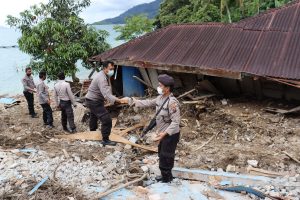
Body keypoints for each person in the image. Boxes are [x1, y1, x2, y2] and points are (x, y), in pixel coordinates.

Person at [128, 74, 180, 183]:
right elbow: (147, 102)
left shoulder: (172, 103)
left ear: (167, 88)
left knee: (167, 155)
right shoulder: (160, 98)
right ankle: (165, 175)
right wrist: (134, 102)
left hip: (170, 134)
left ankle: (167, 178)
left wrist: (165, 133)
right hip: (162, 133)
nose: (159, 87)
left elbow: (176, 122)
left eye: (161, 86)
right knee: (161, 153)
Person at [85, 61, 127, 146]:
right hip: (93, 101)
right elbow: (106, 94)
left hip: (93, 100)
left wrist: (112, 98)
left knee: (94, 116)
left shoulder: (105, 75)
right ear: (104, 69)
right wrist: (119, 100)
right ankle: (105, 139)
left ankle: (92, 133)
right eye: (110, 69)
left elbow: (108, 91)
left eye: (113, 69)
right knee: (107, 119)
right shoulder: (102, 78)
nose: (112, 71)